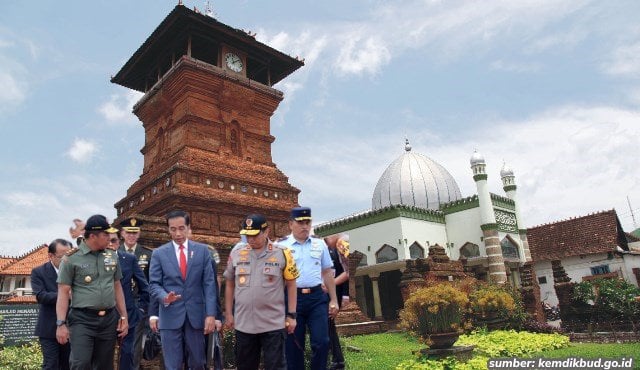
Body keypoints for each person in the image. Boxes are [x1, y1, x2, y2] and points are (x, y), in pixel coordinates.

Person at [223, 214, 299, 370]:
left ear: (266, 232)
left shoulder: (282, 253)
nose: (251, 240)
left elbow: (291, 285)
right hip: (244, 325)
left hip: (272, 325)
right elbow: (230, 284)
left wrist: (291, 315)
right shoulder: (237, 253)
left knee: (275, 367)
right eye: (247, 235)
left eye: (255, 235)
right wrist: (229, 313)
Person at [56, 214, 129, 370]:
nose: (110, 238)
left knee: (104, 365)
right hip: (82, 320)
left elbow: (117, 287)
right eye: (106, 234)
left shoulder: (111, 256)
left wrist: (123, 316)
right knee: (80, 363)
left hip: (108, 320)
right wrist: (60, 324)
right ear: (93, 236)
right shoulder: (71, 259)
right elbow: (63, 292)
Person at [148, 210, 218, 370]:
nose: (177, 233)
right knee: (172, 365)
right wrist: (165, 297)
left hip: (196, 316)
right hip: (170, 315)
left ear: (188, 227)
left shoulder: (202, 251)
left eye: (181, 228)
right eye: (173, 229)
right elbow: (153, 284)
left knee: (198, 363)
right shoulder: (159, 254)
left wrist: (211, 315)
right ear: (168, 230)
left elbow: (209, 285)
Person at [280, 207, 339, 370]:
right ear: (291, 224)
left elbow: (327, 272)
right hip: (293, 300)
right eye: (300, 223)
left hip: (317, 299)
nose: (305, 226)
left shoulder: (319, 244)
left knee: (322, 342)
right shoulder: (281, 246)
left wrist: (334, 299)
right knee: (293, 345)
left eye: (307, 222)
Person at [107, 230, 150, 370]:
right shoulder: (95, 259)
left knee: (127, 354)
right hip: (103, 316)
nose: (110, 244)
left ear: (119, 242)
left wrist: (141, 309)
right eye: (107, 240)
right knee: (104, 356)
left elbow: (145, 287)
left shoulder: (128, 259)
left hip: (129, 314)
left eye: (113, 241)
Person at [31, 238, 72, 370]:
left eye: (69, 256)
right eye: (62, 256)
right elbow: (41, 295)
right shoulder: (39, 272)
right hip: (49, 328)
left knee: (69, 365)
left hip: (72, 326)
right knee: (51, 365)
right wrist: (66, 295)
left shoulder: (76, 271)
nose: (67, 260)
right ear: (50, 255)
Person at [118, 217, 153, 369]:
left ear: (139, 234)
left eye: (135, 233)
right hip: (114, 307)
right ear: (122, 234)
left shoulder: (148, 254)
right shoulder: (113, 253)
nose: (131, 236)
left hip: (135, 306)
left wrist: (142, 307)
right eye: (128, 232)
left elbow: (150, 284)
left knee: (133, 349)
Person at [323, 234, 350, 370]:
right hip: (322, 294)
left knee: (327, 326)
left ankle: (335, 360)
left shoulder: (340, 246)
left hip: (333, 294)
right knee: (328, 327)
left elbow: (348, 271)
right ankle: (336, 360)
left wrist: (345, 295)